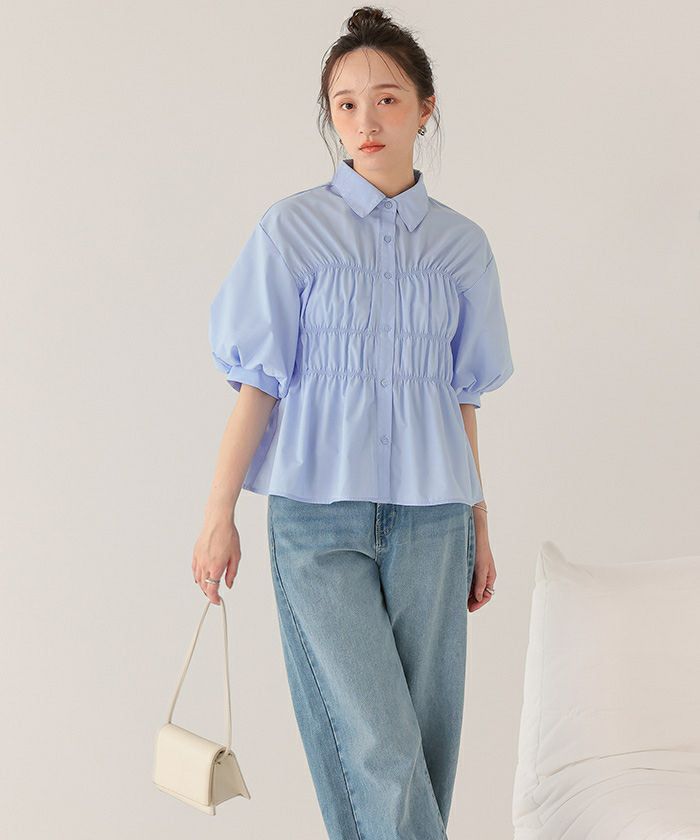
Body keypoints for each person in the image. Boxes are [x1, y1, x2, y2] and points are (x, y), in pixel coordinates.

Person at [193, 7, 515, 839]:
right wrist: (219, 514)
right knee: (378, 747)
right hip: (316, 520)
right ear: (330, 116)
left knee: (425, 748)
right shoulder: (292, 231)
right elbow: (258, 385)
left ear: (425, 108)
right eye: (345, 104)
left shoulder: (462, 247)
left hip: (435, 521)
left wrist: (480, 526)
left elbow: (464, 396)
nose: (365, 121)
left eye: (387, 99)